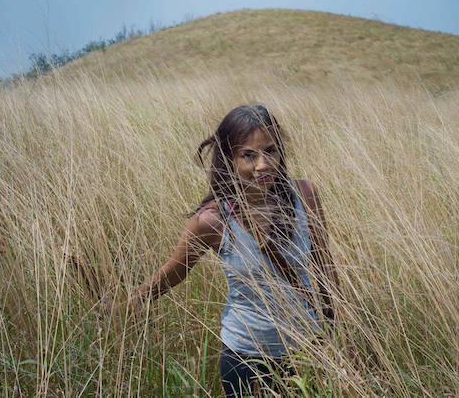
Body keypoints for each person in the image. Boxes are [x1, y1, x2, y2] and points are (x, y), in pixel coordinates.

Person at [135, 104, 339, 397]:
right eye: (248, 155)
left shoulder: (305, 195)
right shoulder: (214, 220)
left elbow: (324, 264)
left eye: (270, 151)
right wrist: (132, 302)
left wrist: (334, 330)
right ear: (230, 159)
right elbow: (173, 272)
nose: (263, 165)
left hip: (306, 350)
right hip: (246, 358)